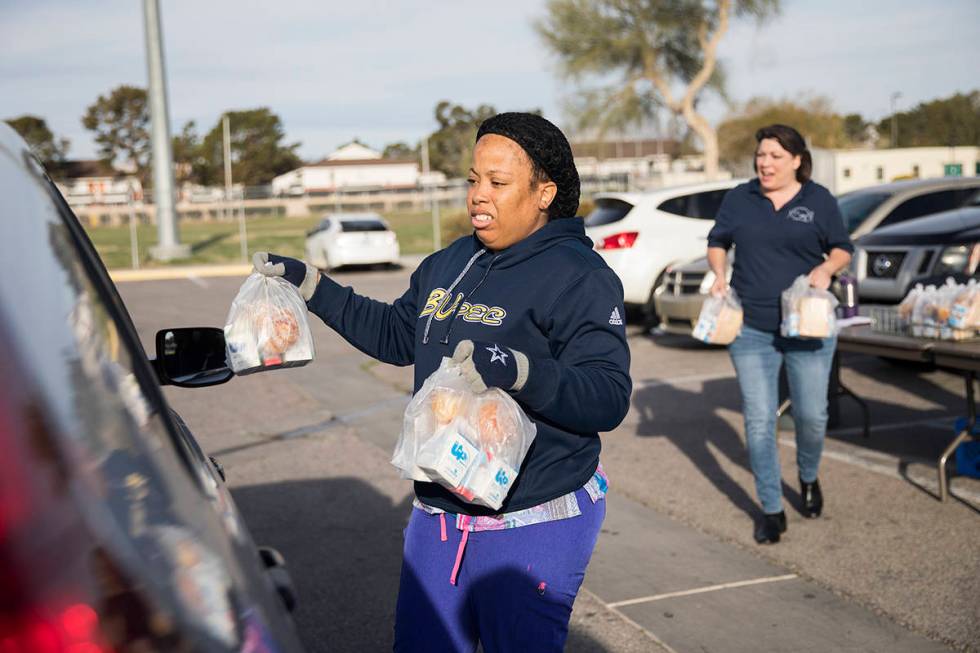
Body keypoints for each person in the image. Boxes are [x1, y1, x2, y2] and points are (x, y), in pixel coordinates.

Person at [254, 112, 631, 651]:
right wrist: (310, 284)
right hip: (440, 511)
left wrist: (519, 370)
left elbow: (607, 395)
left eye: (498, 183)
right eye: (474, 179)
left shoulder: (581, 277)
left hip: (531, 518)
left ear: (544, 192)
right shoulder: (452, 261)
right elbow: (394, 334)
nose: (479, 195)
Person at [706, 124, 853, 544]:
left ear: (796, 160)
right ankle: (771, 509)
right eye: (761, 155)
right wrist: (719, 274)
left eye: (774, 156)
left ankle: (808, 477)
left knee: (811, 416)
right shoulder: (741, 198)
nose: (764, 163)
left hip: (807, 326)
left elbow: (843, 246)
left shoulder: (818, 199)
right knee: (758, 422)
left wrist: (826, 269)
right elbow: (718, 240)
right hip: (751, 330)